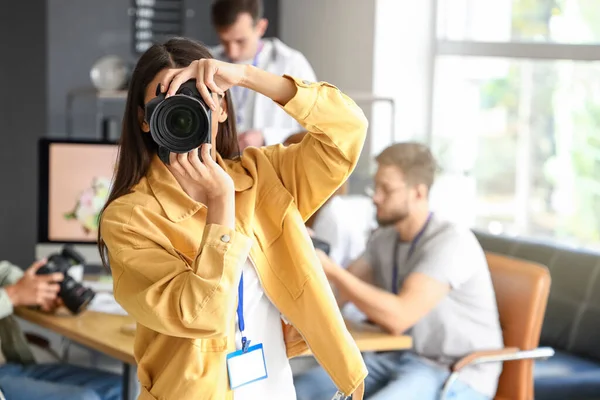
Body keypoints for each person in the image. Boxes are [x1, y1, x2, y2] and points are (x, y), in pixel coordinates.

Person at [97, 37, 368, 400]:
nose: (184, 111)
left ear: (221, 108)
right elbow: (199, 316)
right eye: (166, 102)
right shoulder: (130, 218)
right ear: (145, 120)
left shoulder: (265, 178)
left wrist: (245, 76)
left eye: (198, 97)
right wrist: (221, 203)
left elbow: (347, 130)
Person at [294, 142, 504, 400]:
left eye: (386, 189)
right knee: (298, 390)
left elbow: (399, 316)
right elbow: (337, 294)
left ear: (418, 193)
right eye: (376, 186)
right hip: (395, 356)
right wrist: (303, 252)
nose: (375, 197)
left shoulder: (451, 242)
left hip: (452, 368)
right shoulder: (385, 238)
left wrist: (331, 268)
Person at [0, 259, 122, 400]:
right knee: (85, 398)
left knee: (119, 388)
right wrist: (13, 295)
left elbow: (4, 273)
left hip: (12, 367)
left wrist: (41, 291)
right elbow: (11, 294)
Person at [210, 0, 317, 150]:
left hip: (273, 164)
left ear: (261, 27)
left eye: (240, 41)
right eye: (224, 41)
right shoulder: (209, 61)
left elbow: (316, 129)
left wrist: (266, 136)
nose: (232, 52)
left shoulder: (291, 63)